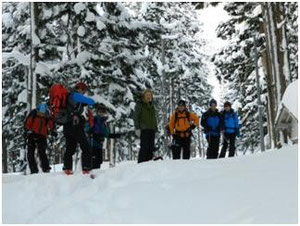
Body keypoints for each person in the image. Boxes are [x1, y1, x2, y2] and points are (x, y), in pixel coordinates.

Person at [62, 82, 95, 175]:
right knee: (85, 146)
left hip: (67, 125)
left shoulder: (70, 96)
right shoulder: (75, 95)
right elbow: (91, 101)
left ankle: (67, 168)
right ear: (80, 88)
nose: (84, 92)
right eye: (83, 90)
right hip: (75, 125)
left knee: (70, 147)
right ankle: (86, 168)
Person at [24, 103, 56, 174]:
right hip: (32, 135)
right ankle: (34, 170)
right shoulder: (33, 114)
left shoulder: (47, 115)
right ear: (37, 110)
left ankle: (46, 168)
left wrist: (52, 131)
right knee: (30, 154)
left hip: (42, 136)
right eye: (40, 113)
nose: (41, 114)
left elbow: (51, 124)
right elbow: (27, 124)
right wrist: (27, 131)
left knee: (42, 152)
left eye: (42, 113)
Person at [133, 89, 158, 163]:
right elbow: (136, 117)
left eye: (150, 95)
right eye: (147, 95)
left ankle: (149, 163)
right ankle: (141, 163)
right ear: (144, 96)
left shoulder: (152, 106)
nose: (148, 97)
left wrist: (156, 130)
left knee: (151, 147)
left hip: (152, 129)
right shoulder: (140, 104)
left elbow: (154, 119)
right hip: (143, 129)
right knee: (144, 147)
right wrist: (137, 128)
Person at [87, 104, 109, 169]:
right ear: (97, 112)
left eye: (103, 112)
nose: (101, 113)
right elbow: (87, 128)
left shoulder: (103, 121)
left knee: (99, 161)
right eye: (100, 111)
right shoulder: (94, 119)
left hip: (99, 144)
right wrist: (90, 130)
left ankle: (97, 177)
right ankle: (91, 176)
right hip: (93, 144)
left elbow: (106, 133)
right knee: (94, 161)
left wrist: (104, 135)